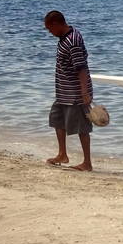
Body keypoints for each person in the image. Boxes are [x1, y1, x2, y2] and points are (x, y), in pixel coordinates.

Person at [43, 10, 95, 171]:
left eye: (49, 28)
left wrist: (84, 92)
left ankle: (87, 163)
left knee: (82, 128)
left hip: (75, 93)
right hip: (63, 92)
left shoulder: (73, 41)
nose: (49, 32)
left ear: (56, 24)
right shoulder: (64, 38)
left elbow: (81, 68)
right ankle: (62, 155)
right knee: (57, 120)